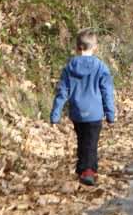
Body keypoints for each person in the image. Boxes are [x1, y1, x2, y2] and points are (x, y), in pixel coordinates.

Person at [49, 29, 116, 187]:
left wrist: (55, 115)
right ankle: (88, 171)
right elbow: (107, 92)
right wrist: (110, 114)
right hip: (94, 113)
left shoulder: (69, 68)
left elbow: (62, 92)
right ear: (95, 47)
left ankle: (81, 169)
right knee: (91, 143)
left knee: (82, 140)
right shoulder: (101, 67)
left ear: (77, 47)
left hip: (77, 112)